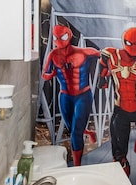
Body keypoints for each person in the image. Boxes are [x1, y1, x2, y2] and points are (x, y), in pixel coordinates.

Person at [99, 27, 136, 176]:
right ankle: (123, 169)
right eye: (129, 43)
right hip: (121, 107)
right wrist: (103, 78)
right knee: (118, 154)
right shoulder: (111, 55)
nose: (133, 47)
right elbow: (102, 62)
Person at [42, 25, 100, 166]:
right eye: (56, 37)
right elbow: (45, 75)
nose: (59, 40)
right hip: (65, 97)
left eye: (62, 37)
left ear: (69, 35)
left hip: (83, 95)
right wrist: (54, 73)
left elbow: (105, 55)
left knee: (75, 132)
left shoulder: (84, 52)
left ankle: (77, 166)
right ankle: (89, 132)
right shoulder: (53, 55)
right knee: (72, 128)